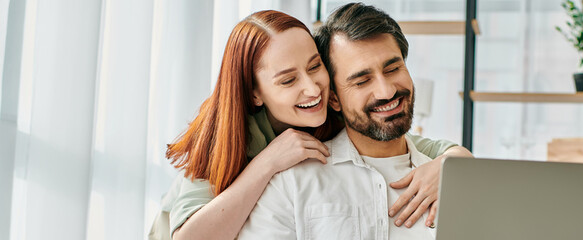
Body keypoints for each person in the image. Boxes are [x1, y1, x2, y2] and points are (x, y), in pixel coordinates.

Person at [148, 10, 472, 240]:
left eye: (315, 66)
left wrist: (453, 163)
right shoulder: (225, 137)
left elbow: (403, 141)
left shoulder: (329, 109)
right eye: (288, 79)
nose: (313, 88)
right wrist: (267, 163)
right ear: (255, 93)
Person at [238, 3, 467, 239]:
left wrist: (456, 169)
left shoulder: (451, 179)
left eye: (393, 69)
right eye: (361, 81)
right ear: (334, 99)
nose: (386, 92)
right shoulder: (290, 183)